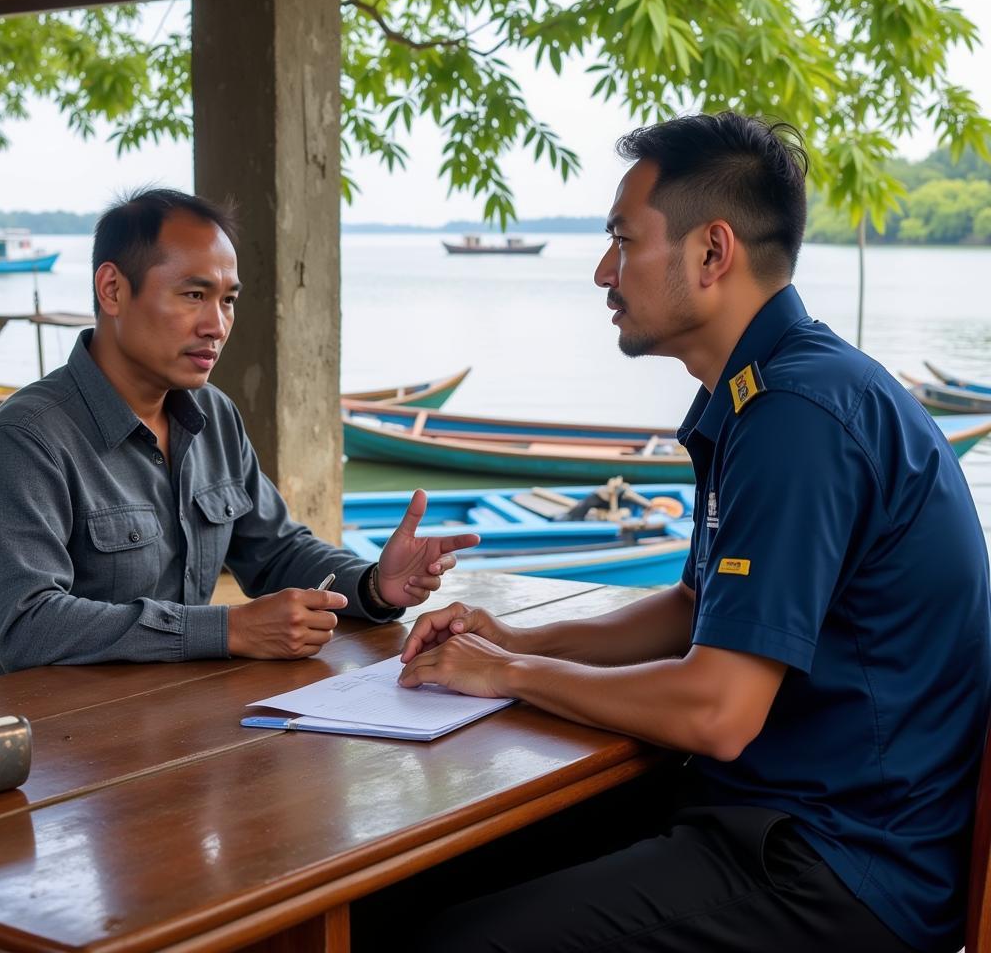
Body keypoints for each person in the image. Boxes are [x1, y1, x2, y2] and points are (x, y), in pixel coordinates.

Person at [395, 114, 991, 953]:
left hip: (845, 866)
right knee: (417, 886)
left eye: (622, 240)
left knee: (457, 942)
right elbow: (689, 608)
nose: (603, 272)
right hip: (772, 812)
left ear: (712, 252)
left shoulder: (797, 415)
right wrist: (517, 638)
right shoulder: (761, 390)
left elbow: (718, 712)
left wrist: (510, 673)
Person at [0, 188, 477, 676]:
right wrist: (227, 629)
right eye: (194, 295)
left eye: (228, 299)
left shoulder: (213, 414)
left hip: (186, 712)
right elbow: (26, 626)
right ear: (113, 289)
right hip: (64, 732)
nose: (216, 325)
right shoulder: (27, 438)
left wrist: (373, 584)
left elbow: (276, 551)